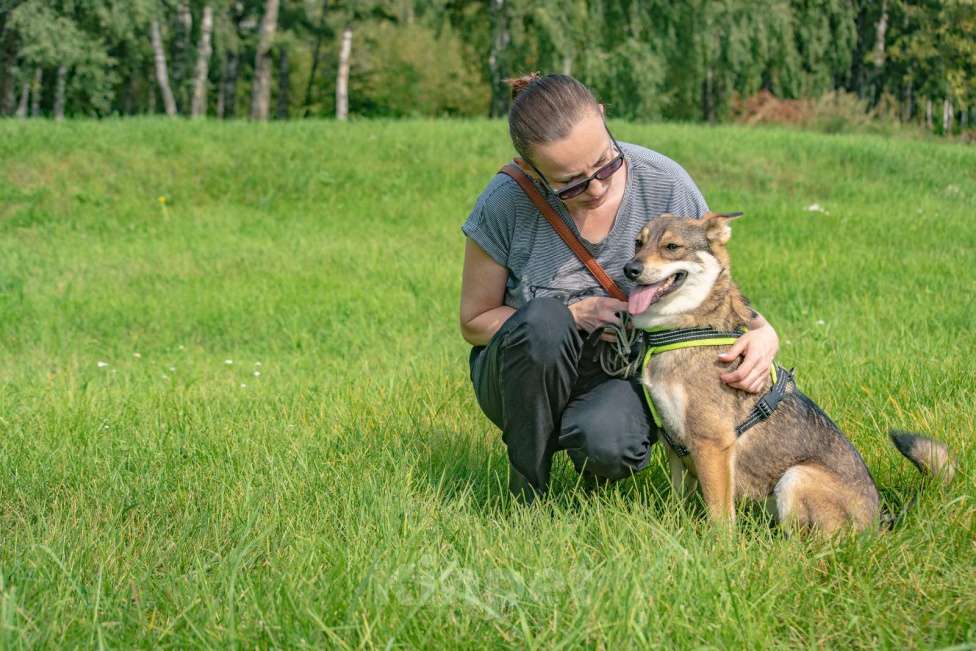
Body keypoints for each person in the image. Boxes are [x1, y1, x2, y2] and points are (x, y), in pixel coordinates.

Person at [459, 73, 779, 502]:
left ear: (604, 119)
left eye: (605, 164)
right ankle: (525, 493)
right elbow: (474, 322)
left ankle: (589, 455)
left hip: (615, 369)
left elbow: (709, 278)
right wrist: (573, 315)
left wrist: (764, 333)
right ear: (531, 170)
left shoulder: (664, 180)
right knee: (545, 322)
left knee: (609, 443)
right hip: (522, 373)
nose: (596, 187)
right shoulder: (504, 204)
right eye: (570, 183)